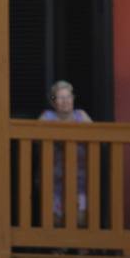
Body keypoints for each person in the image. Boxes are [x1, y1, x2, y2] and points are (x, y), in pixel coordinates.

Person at [39, 81, 91, 224]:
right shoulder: (47, 117)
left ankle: (82, 246)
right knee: (56, 219)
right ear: (53, 101)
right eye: (60, 97)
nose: (65, 101)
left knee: (81, 217)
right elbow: (37, 136)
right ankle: (59, 247)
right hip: (54, 178)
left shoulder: (81, 116)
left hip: (80, 177)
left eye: (68, 97)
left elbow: (95, 134)